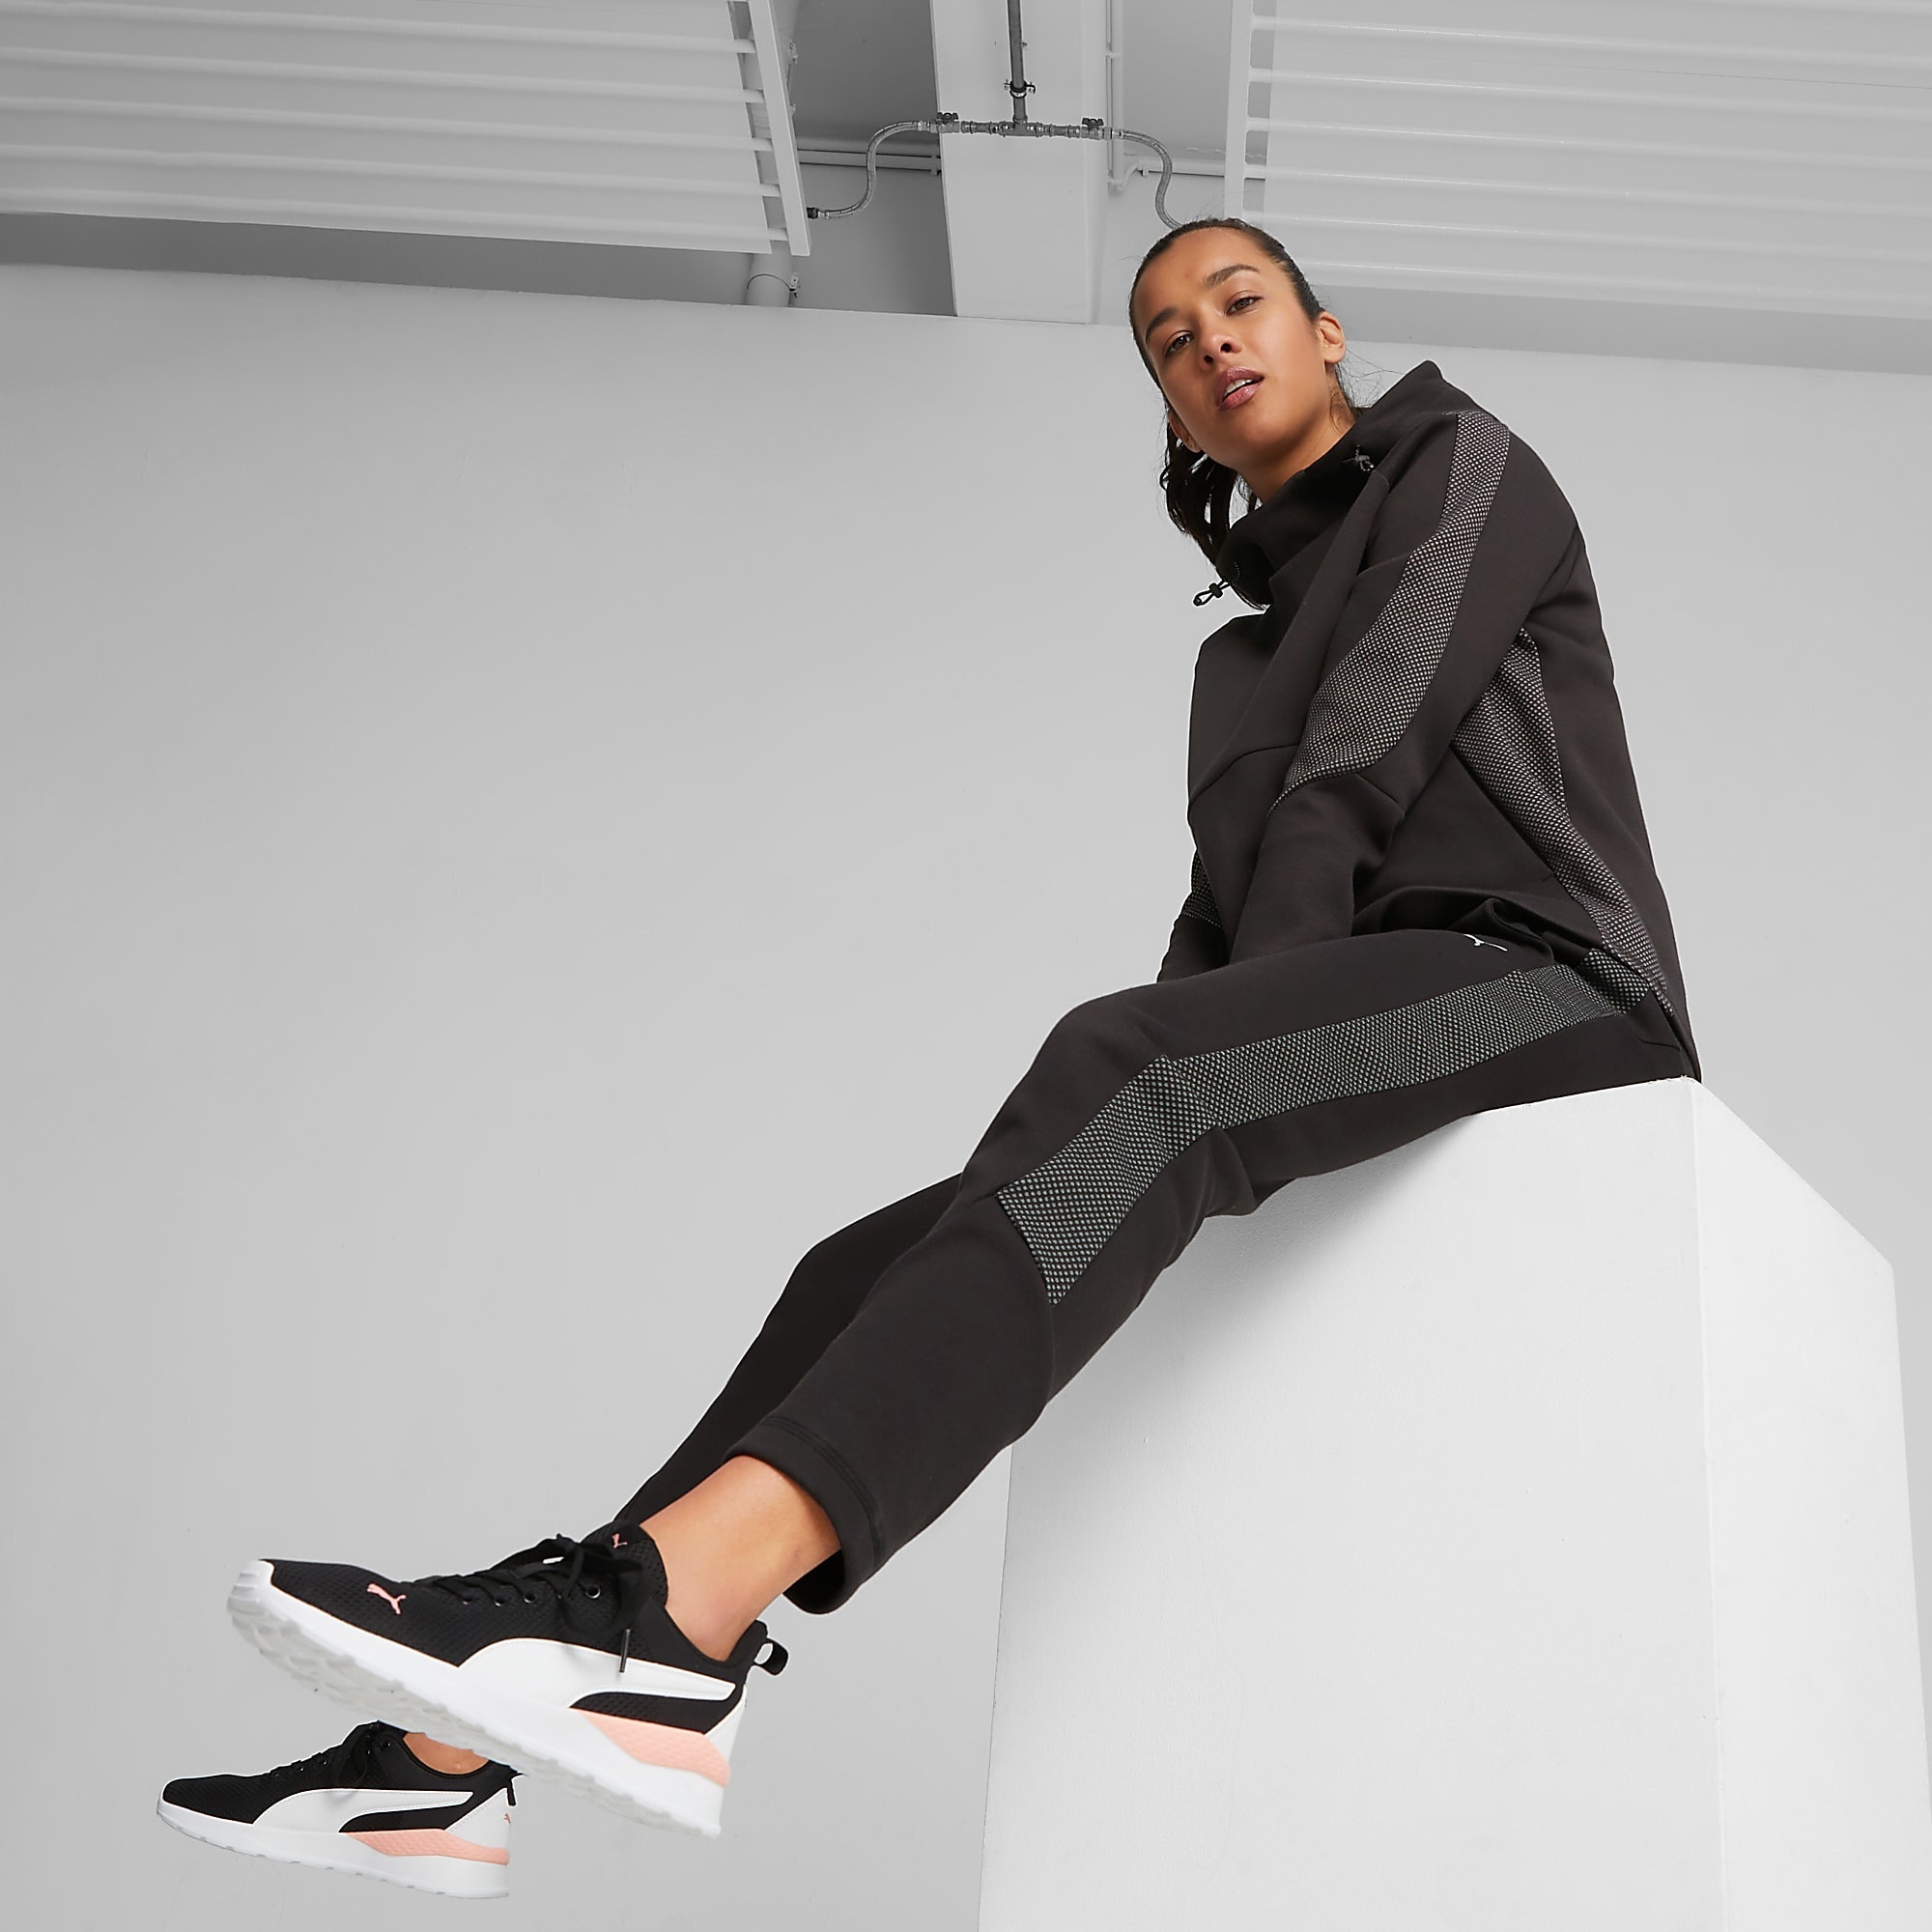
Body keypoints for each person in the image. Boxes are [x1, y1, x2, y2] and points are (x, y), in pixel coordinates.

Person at [156, 216, 1702, 1897]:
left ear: (1325, 331)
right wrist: (1135, 1103)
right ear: (1170, 407)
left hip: (1552, 982)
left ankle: (671, 1627)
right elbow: (1220, 922)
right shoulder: (1239, 658)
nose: (1208, 343)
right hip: (1364, 1002)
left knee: (1132, 1075)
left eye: (1239, 302)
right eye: (1167, 341)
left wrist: (1184, 1071)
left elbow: (1370, 743)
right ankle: (450, 1761)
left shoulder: (1463, 459)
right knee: (871, 1260)